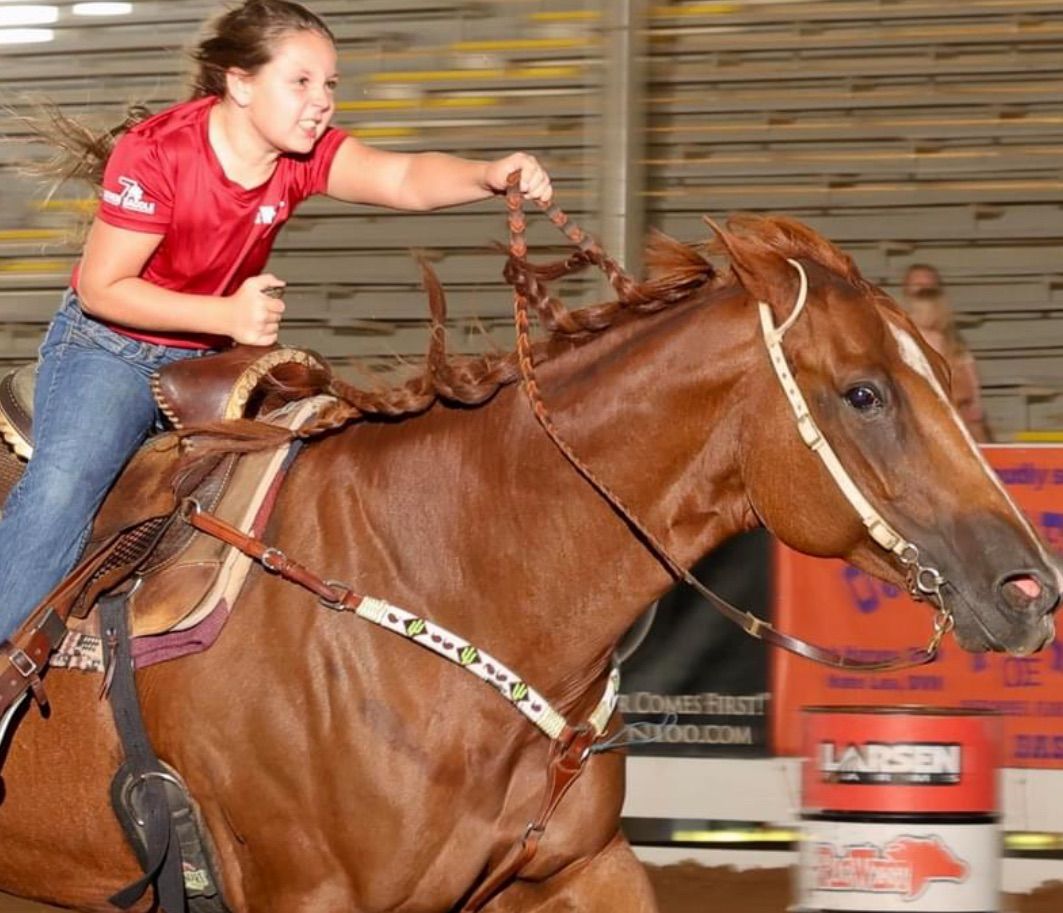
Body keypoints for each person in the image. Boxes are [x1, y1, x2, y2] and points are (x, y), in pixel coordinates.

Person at [0, 0, 553, 670]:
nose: (321, 101)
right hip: (111, 349)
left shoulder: (303, 155)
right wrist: (228, 318)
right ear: (238, 84)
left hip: (207, 359)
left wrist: (487, 175)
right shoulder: (157, 152)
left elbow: (403, 176)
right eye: (301, 82)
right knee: (65, 484)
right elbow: (102, 288)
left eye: (329, 85)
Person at [903, 286, 992, 443]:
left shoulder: (949, 341)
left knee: (974, 434)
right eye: (913, 311)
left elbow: (969, 371)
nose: (914, 315)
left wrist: (976, 401)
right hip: (927, 401)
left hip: (956, 399)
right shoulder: (910, 341)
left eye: (920, 311)